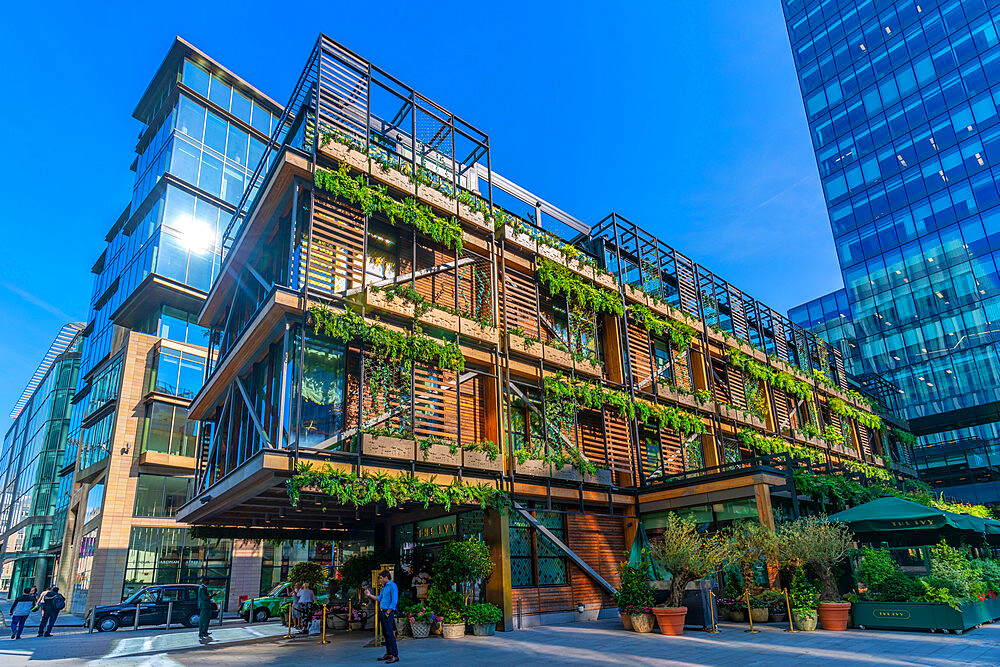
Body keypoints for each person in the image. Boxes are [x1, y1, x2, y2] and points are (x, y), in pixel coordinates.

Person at [365, 570, 398, 663]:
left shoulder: (393, 586)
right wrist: (369, 595)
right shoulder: (384, 587)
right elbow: (379, 598)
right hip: (382, 612)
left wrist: (388, 612)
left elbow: (394, 600)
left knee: (390, 634)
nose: (380, 580)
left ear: (386, 577)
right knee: (385, 634)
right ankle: (389, 653)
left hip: (388, 613)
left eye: (381, 578)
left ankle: (395, 655)